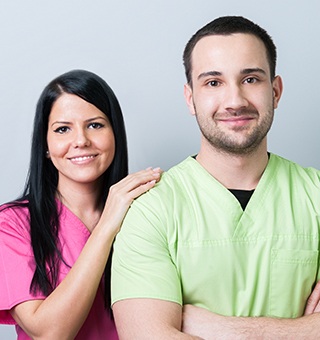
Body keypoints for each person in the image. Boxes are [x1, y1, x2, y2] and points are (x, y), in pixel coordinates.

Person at [111, 16, 320, 339]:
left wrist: (224, 329)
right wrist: (304, 330)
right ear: (190, 98)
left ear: (275, 91)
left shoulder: (316, 195)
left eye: (251, 79)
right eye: (213, 82)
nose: (235, 100)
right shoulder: (152, 210)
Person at [0, 69, 161, 339]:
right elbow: (48, 334)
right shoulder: (12, 224)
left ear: (115, 134)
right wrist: (107, 225)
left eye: (95, 125)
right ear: (46, 145)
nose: (81, 141)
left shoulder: (147, 211)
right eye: (63, 129)